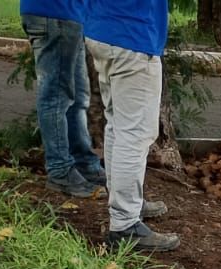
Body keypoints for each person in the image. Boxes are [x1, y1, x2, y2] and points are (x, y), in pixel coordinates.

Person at [83, 0, 178, 252]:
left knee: (118, 126)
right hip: (132, 37)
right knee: (134, 134)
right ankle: (125, 223)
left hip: (104, 30)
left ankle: (124, 204)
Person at [20, 0, 104, 198]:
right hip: (55, 15)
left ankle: (83, 163)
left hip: (67, 16)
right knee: (56, 97)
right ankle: (60, 170)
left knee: (78, 98)